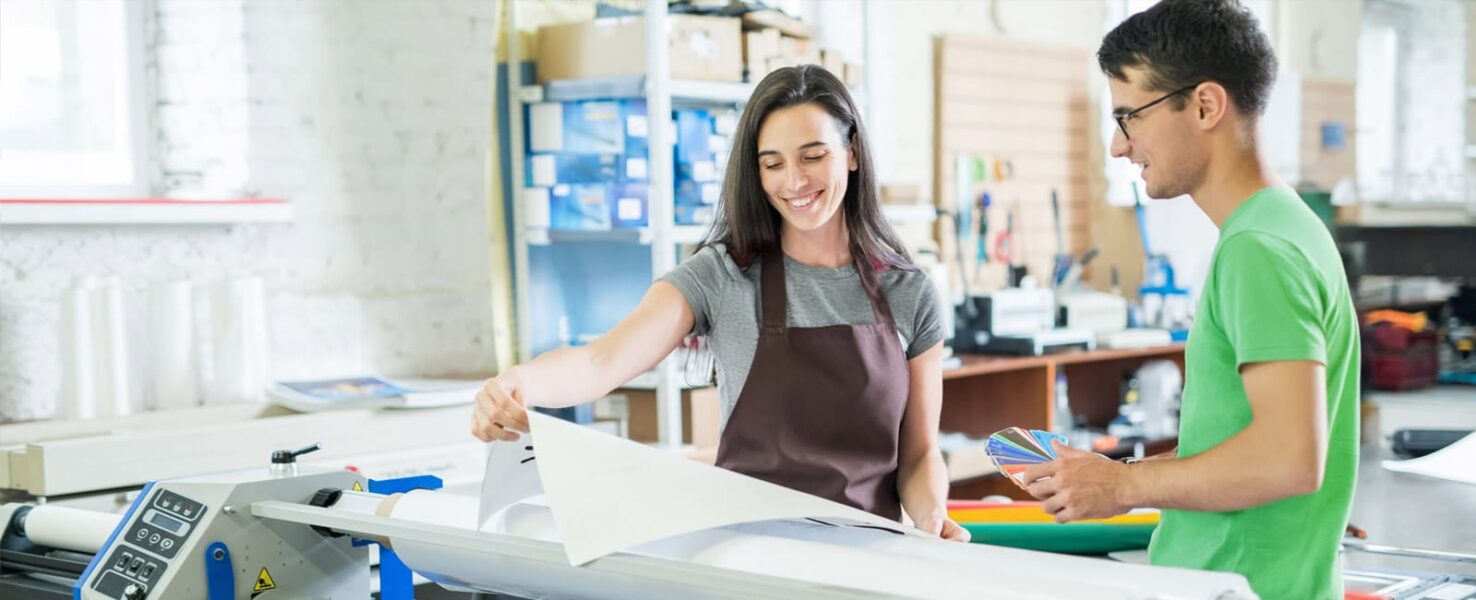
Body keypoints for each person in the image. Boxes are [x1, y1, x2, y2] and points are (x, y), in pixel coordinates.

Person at [472, 65, 968, 542]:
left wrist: (931, 515)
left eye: (813, 156)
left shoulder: (910, 293)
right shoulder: (722, 275)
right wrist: (518, 383)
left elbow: (919, 454)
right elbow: (601, 362)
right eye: (772, 164)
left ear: (852, 153)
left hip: (868, 557)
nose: (794, 181)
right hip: (747, 553)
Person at [1020, 1, 1360, 598]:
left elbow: (1288, 459)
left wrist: (1121, 487)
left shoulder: (1258, 249)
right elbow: (1237, 442)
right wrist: (1114, 475)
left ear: (1205, 105)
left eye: (1130, 117)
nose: (1118, 146)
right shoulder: (1281, 227)